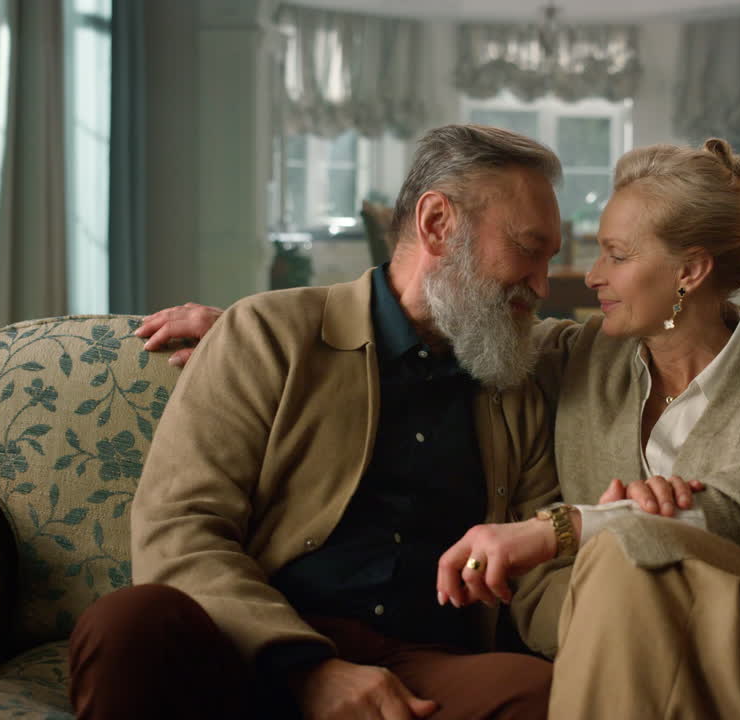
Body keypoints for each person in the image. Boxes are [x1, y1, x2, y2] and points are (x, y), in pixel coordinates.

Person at [140, 138, 740, 719]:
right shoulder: (580, 358)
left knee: (627, 559)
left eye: (615, 255)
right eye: (578, 251)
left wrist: (577, 528)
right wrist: (250, 331)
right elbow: (445, 324)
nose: (585, 277)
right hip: (629, 647)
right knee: (621, 571)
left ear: (690, 272)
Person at [67, 124, 580, 720]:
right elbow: (181, 527)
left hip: (427, 670)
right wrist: (309, 670)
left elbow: (540, 570)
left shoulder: (518, 375)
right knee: (129, 622)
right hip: (254, 645)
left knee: (538, 695)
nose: (543, 286)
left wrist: (636, 622)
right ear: (437, 224)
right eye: (527, 248)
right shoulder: (267, 334)